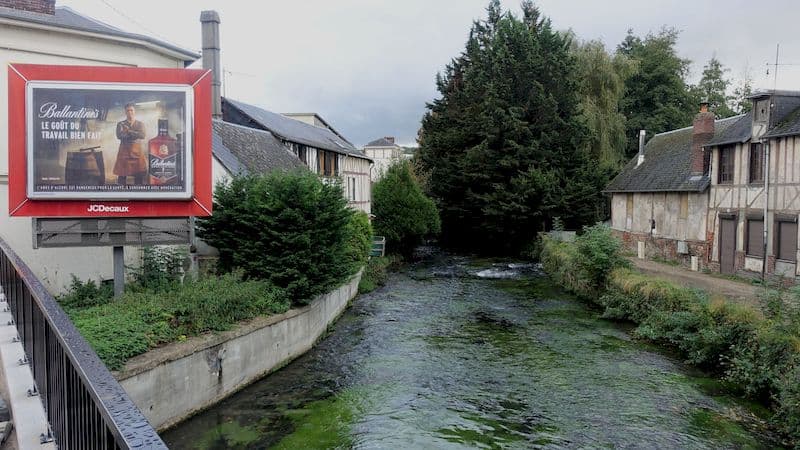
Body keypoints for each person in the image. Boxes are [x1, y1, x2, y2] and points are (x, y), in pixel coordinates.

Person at [113, 103, 147, 185]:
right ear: (125, 112)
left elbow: (142, 135)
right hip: (124, 151)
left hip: (137, 152)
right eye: (128, 110)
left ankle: (138, 195)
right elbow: (120, 136)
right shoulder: (120, 124)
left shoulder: (140, 124)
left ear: (134, 111)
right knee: (121, 175)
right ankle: (121, 195)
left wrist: (128, 131)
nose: (130, 112)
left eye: (131, 110)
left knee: (139, 175)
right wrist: (135, 134)